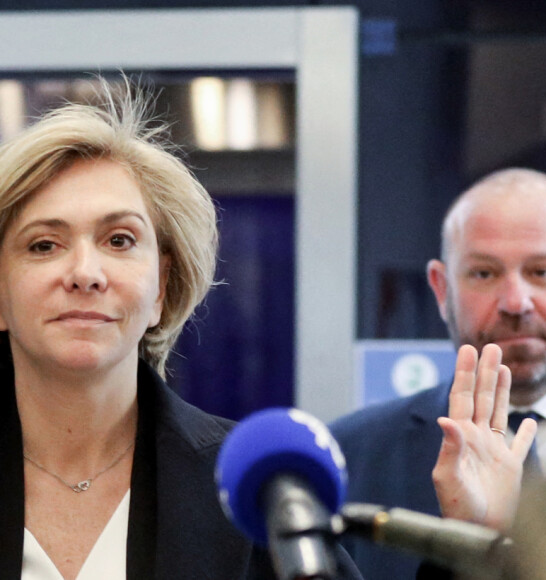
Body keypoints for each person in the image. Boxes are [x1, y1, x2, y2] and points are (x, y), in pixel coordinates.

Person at [0, 80, 362, 580]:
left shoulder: (255, 491)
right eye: (43, 245)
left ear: (162, 288)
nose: (85, 272)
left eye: (119, 239)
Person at [331, 167, 546, 580]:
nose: (516, 302)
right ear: (442, 289)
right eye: (484, 273)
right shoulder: (348, 458)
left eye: (542, 271)